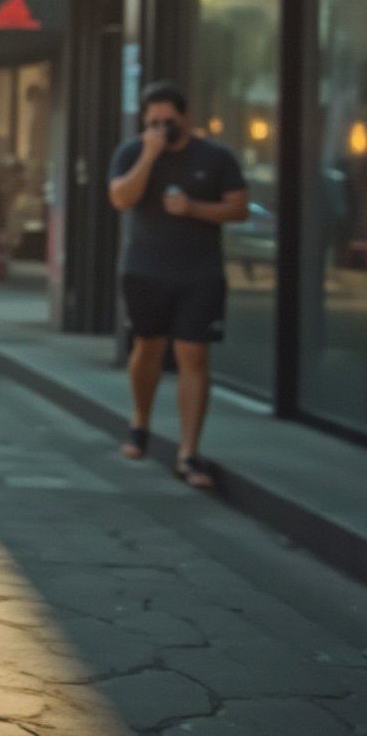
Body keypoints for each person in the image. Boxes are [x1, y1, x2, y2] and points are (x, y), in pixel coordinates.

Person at [108, 80, 249, 489]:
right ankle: (140, 425)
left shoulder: (216, 156)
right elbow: (120, 198)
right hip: (145, 270)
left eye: (168, 121)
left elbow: (239, 209)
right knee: (147, 347)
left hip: (199, 274)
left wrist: (194, 208)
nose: (161, 128)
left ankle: (189, 452)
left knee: (193, 356)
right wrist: (149, 156)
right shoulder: (133, 151)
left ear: (185, 117)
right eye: (153, 122)